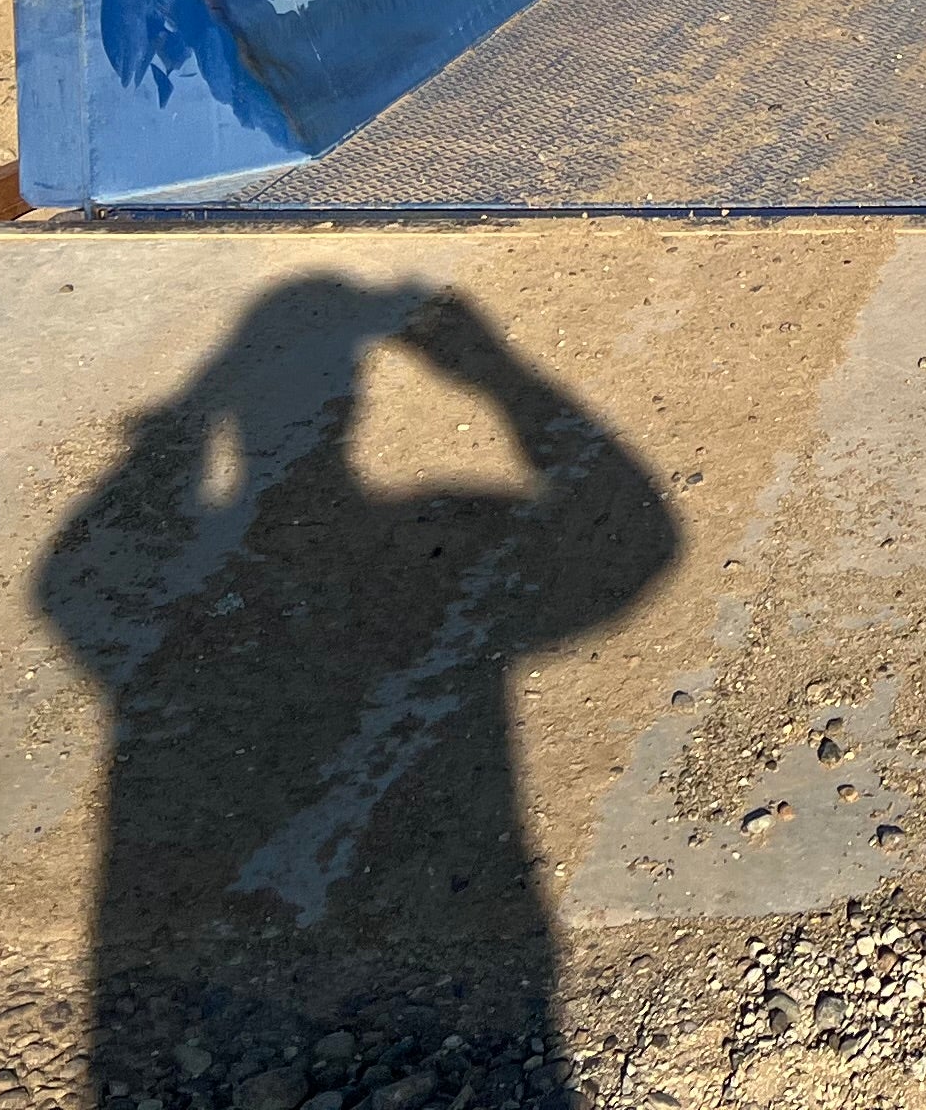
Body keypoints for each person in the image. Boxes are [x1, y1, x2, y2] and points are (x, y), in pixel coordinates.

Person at [36, 276, 677, 1104]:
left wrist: (178, 426)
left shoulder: (190, 597)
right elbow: (636, 542)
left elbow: (70, 584)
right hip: (471, 948)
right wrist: (500, 376)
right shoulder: (442, 527)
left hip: (190, 978)